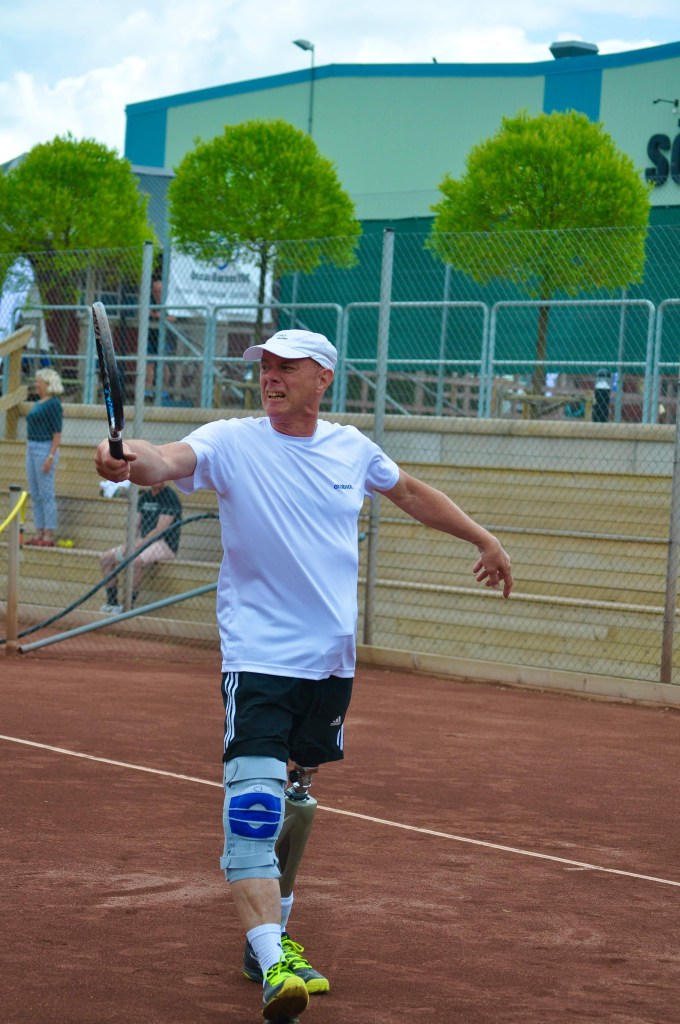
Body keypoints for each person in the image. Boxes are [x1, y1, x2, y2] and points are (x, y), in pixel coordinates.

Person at [94, 329, 513, 1022]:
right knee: (253, 810)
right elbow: (163, 458)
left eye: (287, 367)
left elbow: (410, 492)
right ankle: (273, 958)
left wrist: (484, 538)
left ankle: (266, 940)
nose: (270, 376)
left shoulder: (352, 449)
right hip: (259, 658)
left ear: (323, 378)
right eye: (265, 366)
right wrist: (123, 457)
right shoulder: (232, 441)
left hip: (330, 665)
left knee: (295, 806)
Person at [99, 481, 182, 613]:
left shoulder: (170, 497)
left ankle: (128, 606)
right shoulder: (144, 497)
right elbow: (134, 525)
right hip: (143, 543)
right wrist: (128, 544)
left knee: (135, 560)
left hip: (164, 544)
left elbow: (160, 530)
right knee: (106, 558)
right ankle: (112, 603)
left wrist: (138, 545)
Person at [24, 367, 63, 547]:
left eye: (39, 382)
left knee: (46, 493)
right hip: (31, 446)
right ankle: (38, 531)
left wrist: (50, 456)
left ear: (48, 384)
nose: (36, 384)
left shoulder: (54, 403)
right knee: (35, 493)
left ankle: (49, 533)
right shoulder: (38, 402)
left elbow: (57, 434)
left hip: (44, 447)